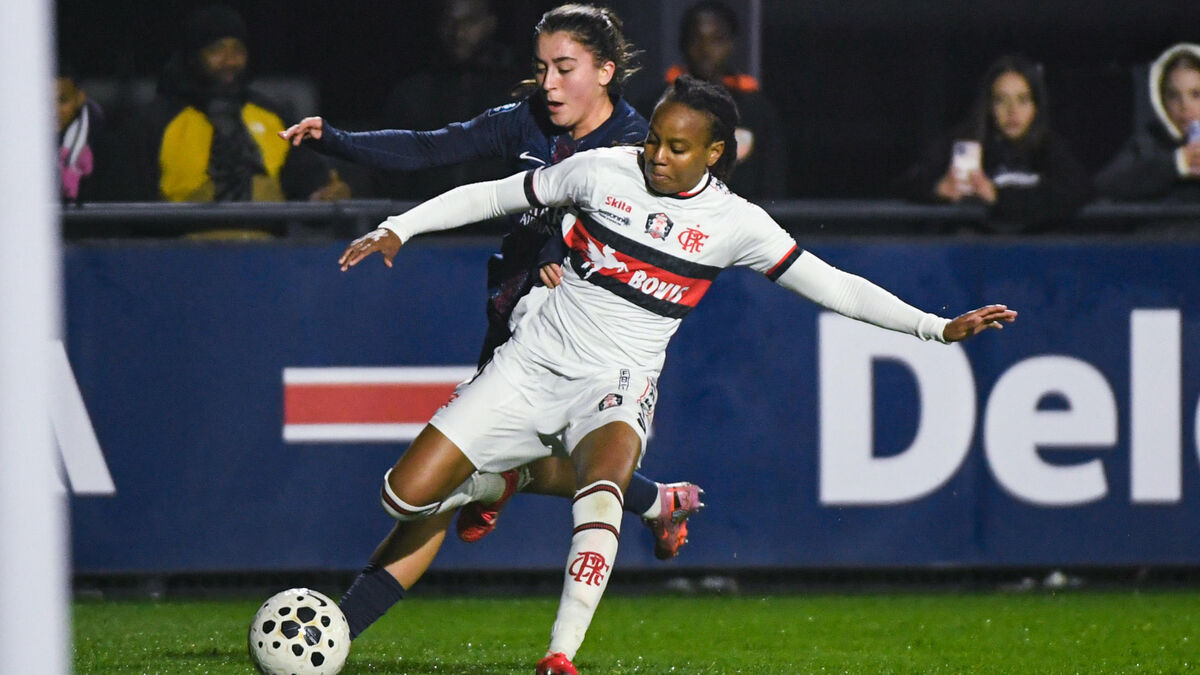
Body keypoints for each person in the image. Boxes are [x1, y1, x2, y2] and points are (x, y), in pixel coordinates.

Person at [335, 74, 1018, 674]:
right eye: (655, 138)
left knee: (599, 491)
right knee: (404, 496)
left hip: (619, 381)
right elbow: (495, 194)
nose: (657, 155)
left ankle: (558, 654)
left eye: (678, 147)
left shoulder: (734, 223)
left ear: (717, 153)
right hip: (533, 360)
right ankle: (623, 493)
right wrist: (403, 226)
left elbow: (834, 286)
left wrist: (935, 326)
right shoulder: (602, 170)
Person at [282, 1, 704, 640]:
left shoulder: (637, 148)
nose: (550, 84)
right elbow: (436, 147)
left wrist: (571, 255)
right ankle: (648, 498)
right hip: (518, 317)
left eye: (565, 69)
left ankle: (340, 625)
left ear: (607, 72)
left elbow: (656, 235)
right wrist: (335, 139)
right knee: (454, 482)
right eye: (542, 69)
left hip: (591, 340)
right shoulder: (529, 121)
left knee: (474, 479)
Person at [139, 5, 348, 211]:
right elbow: (132, 209)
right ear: (193, 57)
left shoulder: (273, 117)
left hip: (266, 243)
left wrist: (325, 196)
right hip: (182, 242)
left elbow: (309, 186)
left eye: (238, 50)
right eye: (217, 49)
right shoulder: (157, 121)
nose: (229, 60)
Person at [898, 53, 1092, 234]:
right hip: (973, 256)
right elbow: (907, 183)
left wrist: (997, 196)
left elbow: (1080, 190)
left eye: (1022, 100)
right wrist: (937, 189)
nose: (1012, 111)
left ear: (1035, 106)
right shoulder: (964, 140)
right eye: (1001, 100)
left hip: (1036, 258)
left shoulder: (1048, 146)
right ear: (989, 105)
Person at [376, 0, 525, 201]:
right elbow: (389, 172)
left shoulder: (518, 93)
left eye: (470, 22)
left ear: (490, 23)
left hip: (499, 226)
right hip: (428, 224)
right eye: (449, 21)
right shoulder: (412, 93)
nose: (458, 32)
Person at [648, 0, 787, 199]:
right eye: (697, 39)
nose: (705, 49)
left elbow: (773, 182)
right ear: (683, 43)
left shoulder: (757, 110)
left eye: (716, 40)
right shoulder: (656, 105)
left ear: (731, 44)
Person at [1095, 43, 1200, 223]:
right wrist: (1177, 163)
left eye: (1196, 94)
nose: (1185, 106)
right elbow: (1106, 185)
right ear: (1160, 98)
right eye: (1173, 95)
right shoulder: (1148, 142)